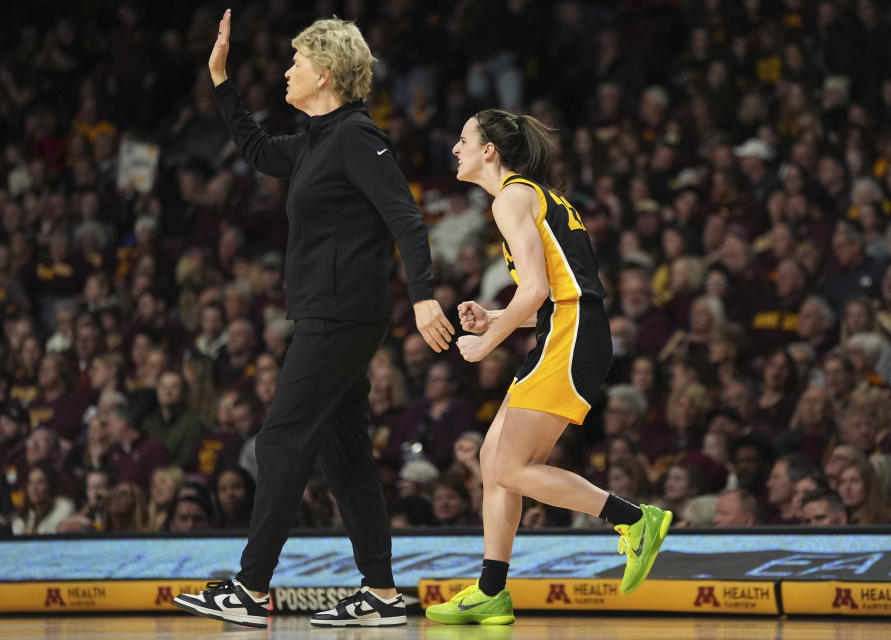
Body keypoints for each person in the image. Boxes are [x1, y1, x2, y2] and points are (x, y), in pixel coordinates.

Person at [174, 12, 452, 630]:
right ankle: (380, 593)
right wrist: (220, 80)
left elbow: (405, 216)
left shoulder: (356, 136)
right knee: (344, 455)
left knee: (278, 440)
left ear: (324, 74)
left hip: (342, 316)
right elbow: (253, 148)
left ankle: (250, 589)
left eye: (295, 62)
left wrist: (425, 296)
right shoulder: (315, 142)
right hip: (332, 317)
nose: (285, 70)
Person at [425, 109, 671, 626]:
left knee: (511, 467)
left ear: (488, 150)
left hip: (571, 331)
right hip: (566, 326)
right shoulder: (531, 195)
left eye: (463, 139)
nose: (454, 148)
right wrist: (494, 317)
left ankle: (634, 519)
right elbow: (551, 289)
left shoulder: (512, 197)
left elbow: (538, 290)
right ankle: (491, 591)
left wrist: (490, 340)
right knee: (495, 463)